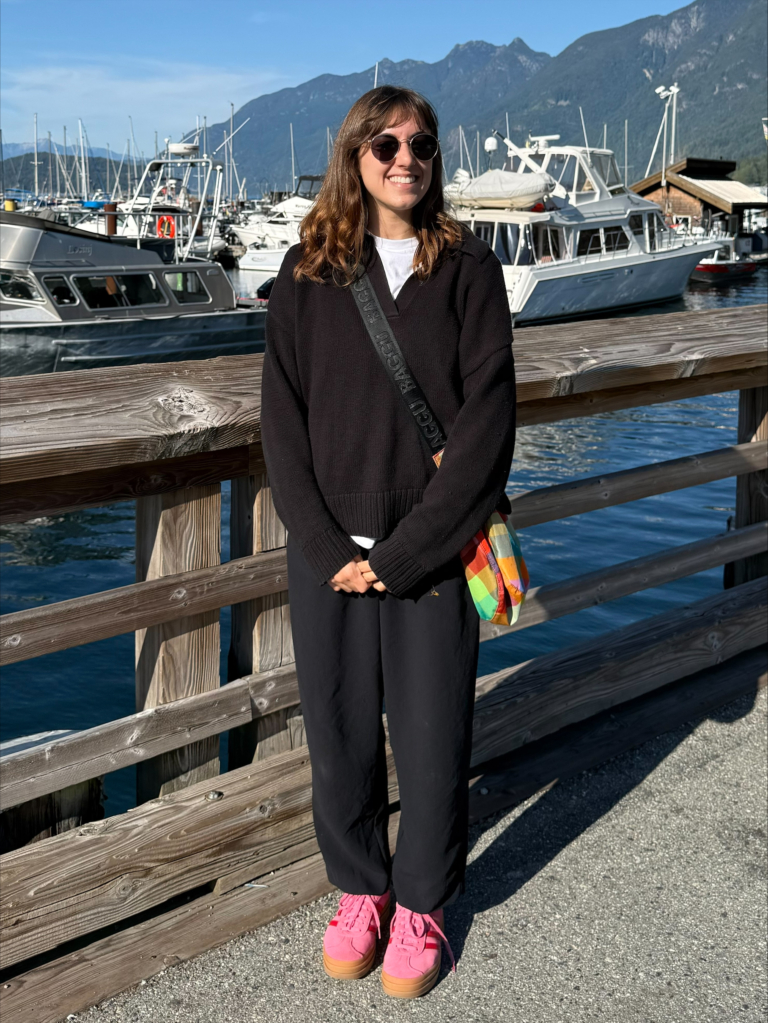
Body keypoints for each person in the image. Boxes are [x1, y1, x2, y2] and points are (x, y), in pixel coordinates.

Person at [261, 85, 516, 999]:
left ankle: (422, 902)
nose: (406, 159)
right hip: (329, 552)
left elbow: (488, 425)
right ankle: (361, 888)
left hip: (432, 551)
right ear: (355, 157)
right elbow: (281, 422)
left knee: (433, 734)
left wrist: (407, 553)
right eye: (386, 145)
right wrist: (326, 544)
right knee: (338, 735)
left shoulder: (470, 267)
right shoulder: (307, 272)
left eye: (422, 145)